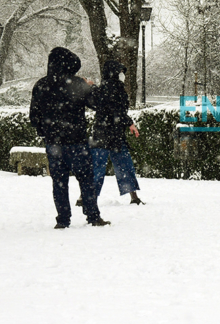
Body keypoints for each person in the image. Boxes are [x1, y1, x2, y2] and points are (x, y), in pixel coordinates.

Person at [29, 47, 110, 229]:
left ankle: (63, 219)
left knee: (59, 182)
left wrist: (47, 131)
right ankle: (93, 215)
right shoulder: (77, 84)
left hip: (53, 143)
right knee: (86, 179)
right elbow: (98, 103)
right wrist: (92, 87)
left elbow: (34, 117)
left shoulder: (41, 85)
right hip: (77, 140)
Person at [87, 59, 144, 205]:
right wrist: (129, 123)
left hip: (101, 133)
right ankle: (133, 196)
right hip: (115, 134)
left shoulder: (103, 88)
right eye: (120, 72)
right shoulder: (116, 89)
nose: (122, 75)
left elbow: (99, 104)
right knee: (124, 165)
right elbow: (116, 111)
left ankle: (86, 197)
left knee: (97, 167)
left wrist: (92, 87)